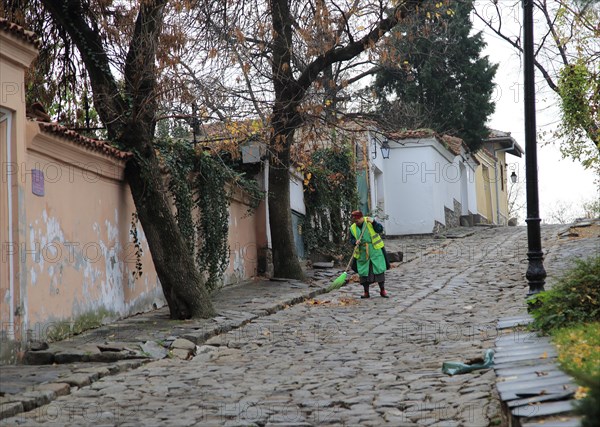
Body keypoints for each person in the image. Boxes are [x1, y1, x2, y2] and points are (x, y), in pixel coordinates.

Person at [349, 210, 389, 298]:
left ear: (361, 218)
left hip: (375, 250)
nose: (356, 222)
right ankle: (366, 292)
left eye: (357, 220)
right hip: (362, 253)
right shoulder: (352, 228)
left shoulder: (370, 222)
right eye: (354, 221)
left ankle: (382, 290)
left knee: (379, 270)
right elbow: (351, 239)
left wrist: (374, 222)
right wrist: (355, 242)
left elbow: (380, 229)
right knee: (363, 273)